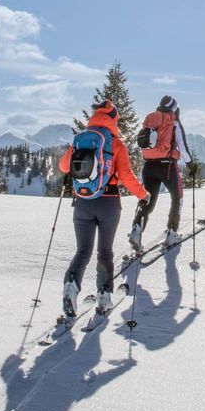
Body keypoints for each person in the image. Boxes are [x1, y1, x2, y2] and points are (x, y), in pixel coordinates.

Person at [60, 99, 148, 317]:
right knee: (105, 251)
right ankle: (104, 296)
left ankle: (70, 287)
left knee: (83, 251)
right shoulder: (116, 144)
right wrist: (143, 194)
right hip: (108, 203)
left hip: (82, 202)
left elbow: (63, 166)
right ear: (114, 118)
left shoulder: (82, 140)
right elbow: (126, 176)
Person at [129, 95, 195, 252]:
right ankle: (172, 232)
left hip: (148, 166)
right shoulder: (174, 123)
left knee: (147, 200)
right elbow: (183, 148)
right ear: (174, 109)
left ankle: (136, 231)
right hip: (167, 166)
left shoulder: (150, 120)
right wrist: (191, 166)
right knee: (177, 198)